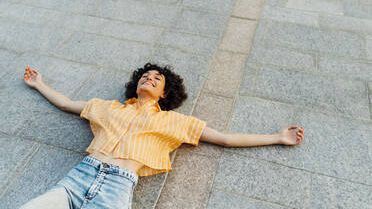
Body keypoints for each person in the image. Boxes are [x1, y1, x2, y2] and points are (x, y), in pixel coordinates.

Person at [20, 63, 304, 209]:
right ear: (136, 84)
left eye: (157, 79)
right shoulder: (108, 108)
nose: (149, 78)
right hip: (78, 177)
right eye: (146, 76)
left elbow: (226, 138)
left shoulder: (173, 122)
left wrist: (276, 137)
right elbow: (67, 103)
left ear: (165, 93)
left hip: (117, 188)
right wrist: (39, 84)